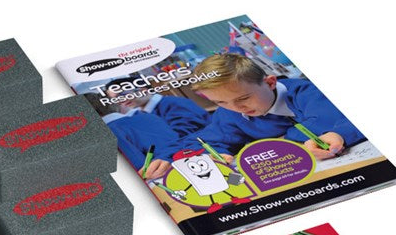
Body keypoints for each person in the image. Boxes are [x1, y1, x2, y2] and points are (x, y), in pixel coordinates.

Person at [144, 54, 363, 180]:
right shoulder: (231, 113)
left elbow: (332, 121)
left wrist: (338, 134)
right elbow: (202, 139)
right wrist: (169, 157)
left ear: (270, 82)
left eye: (243, 98)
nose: (236, 108)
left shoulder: (307, 93)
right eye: (220, 102)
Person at [100, 81, 210, 171]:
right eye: (115, 100)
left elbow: (185, 134)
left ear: (142, 89)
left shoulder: (173, 103)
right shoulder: (142, 113)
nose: (121, 101)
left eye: (121, 95)